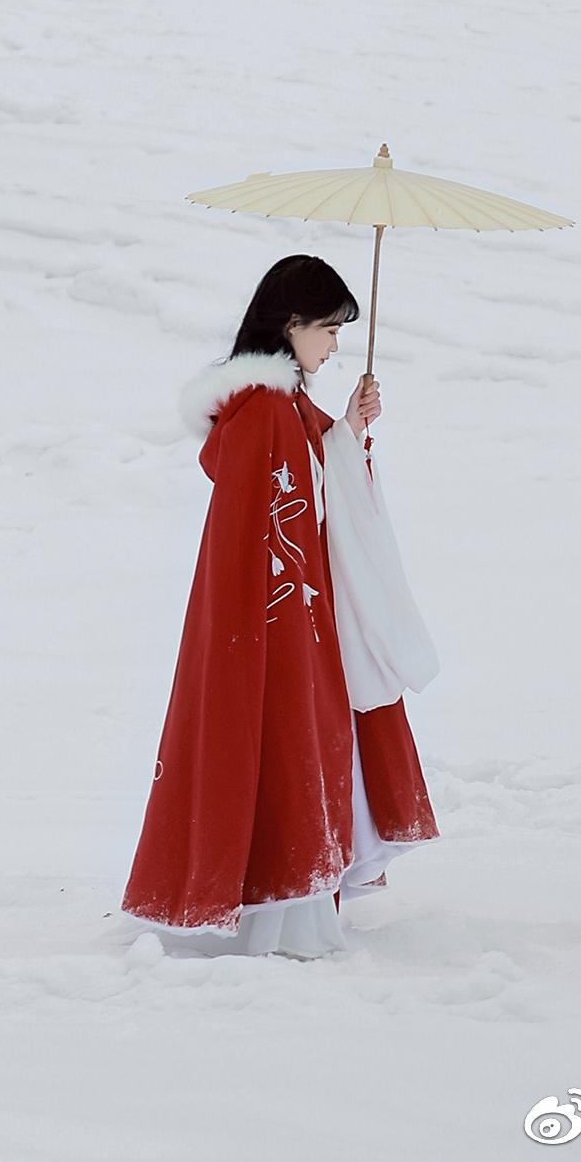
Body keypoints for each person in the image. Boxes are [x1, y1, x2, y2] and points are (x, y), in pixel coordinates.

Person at [121, 253, 440, 959]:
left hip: (292, 613)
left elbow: (314, 480)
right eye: (328, 330)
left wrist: (348, 427)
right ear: (291, 323)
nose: (333, 347)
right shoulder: (265, 410)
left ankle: (282, 909)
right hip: (280, 615)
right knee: (280, 746)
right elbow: (274, 520)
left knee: (293, 748)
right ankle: (273, 917)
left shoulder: (283, 406)